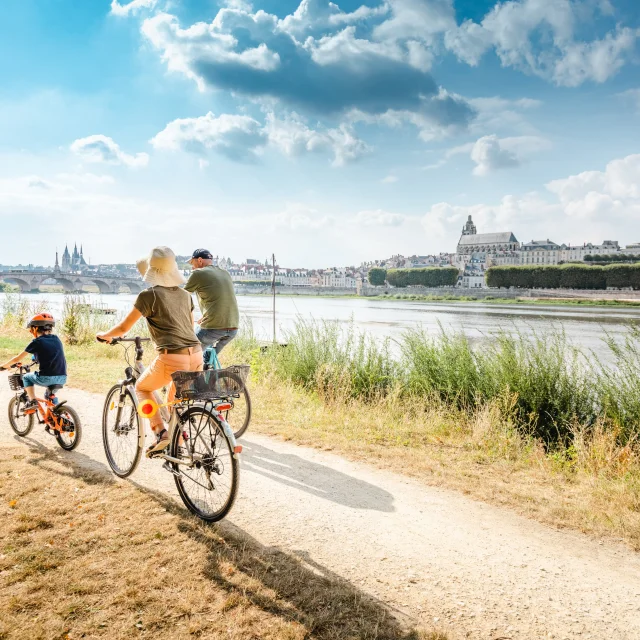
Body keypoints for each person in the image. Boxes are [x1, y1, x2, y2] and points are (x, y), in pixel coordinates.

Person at [97, 246, 202, 456]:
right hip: (197, 355)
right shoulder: (185, 295)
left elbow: (124, 328)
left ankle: (161, 433)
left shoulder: (148, 296)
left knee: (142, 388)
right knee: (174, 405)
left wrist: (105, 335)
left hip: (172, 357)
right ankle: (177, 447)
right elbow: (189, 327)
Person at [0, 313, 67, 410]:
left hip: (46, 378)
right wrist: (35, 359)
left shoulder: (37, 342)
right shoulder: (56, 339)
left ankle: (32, 401)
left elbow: (17, 359)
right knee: (49, 395)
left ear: (35, 329)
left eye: (31, 328)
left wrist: (4, 366)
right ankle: (56, 413)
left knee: (26, 377)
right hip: (62, 377)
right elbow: (48, 353)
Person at [185, 248, 239, 355]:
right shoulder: (225, 273)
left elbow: (181, 297)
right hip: (233, 327)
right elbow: (219, 298)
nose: (192, 266)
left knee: (187, 350)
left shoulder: (198, 274)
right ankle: (209, 368)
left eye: (193, 262)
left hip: (214, 328)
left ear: (199, 260)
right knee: (207, 359)